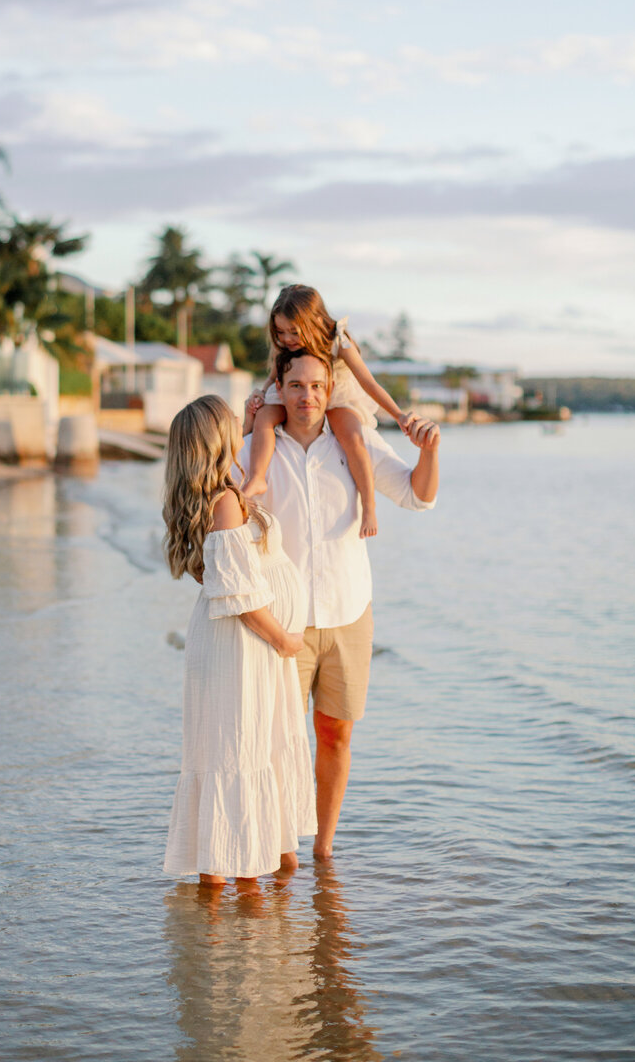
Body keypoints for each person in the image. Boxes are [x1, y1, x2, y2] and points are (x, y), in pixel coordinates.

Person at [241, 348, 440, 860]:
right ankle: (283, 850)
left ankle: (323, 851)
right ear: (279, 388)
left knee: (335, 735)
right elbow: (222, 512)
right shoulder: (256, 449)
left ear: (329, 389)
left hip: (349, 613)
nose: (306, 396)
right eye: (295, 385)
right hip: (282, 622)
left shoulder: (356, 443)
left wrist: (429, 451)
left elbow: (418, 496)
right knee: (277, 742)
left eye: (317, 386)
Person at [162, 394, 317, 887]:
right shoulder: (225, 504)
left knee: (240, 753)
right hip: (244, 644)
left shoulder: (219, 494)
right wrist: (285, 640)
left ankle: (230, 905)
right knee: (237, 755)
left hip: (245, 645)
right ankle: (236, 907)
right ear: (215, 439)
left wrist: (252, 421)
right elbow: (242, 597)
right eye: (228, 418)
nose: (238, 419)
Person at [242, 284, 416, 539]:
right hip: (299, 391)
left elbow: (368, 382)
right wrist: (260, 392)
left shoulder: (338, 341)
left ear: (314, 322)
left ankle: (369, 505)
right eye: (280, 332)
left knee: (352, 437)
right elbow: (272, 378)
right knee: (265, 417)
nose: (287, 338)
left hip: (336, 394)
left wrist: (398, 415)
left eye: (294, 332)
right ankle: (257, 477)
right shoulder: (286, 347)